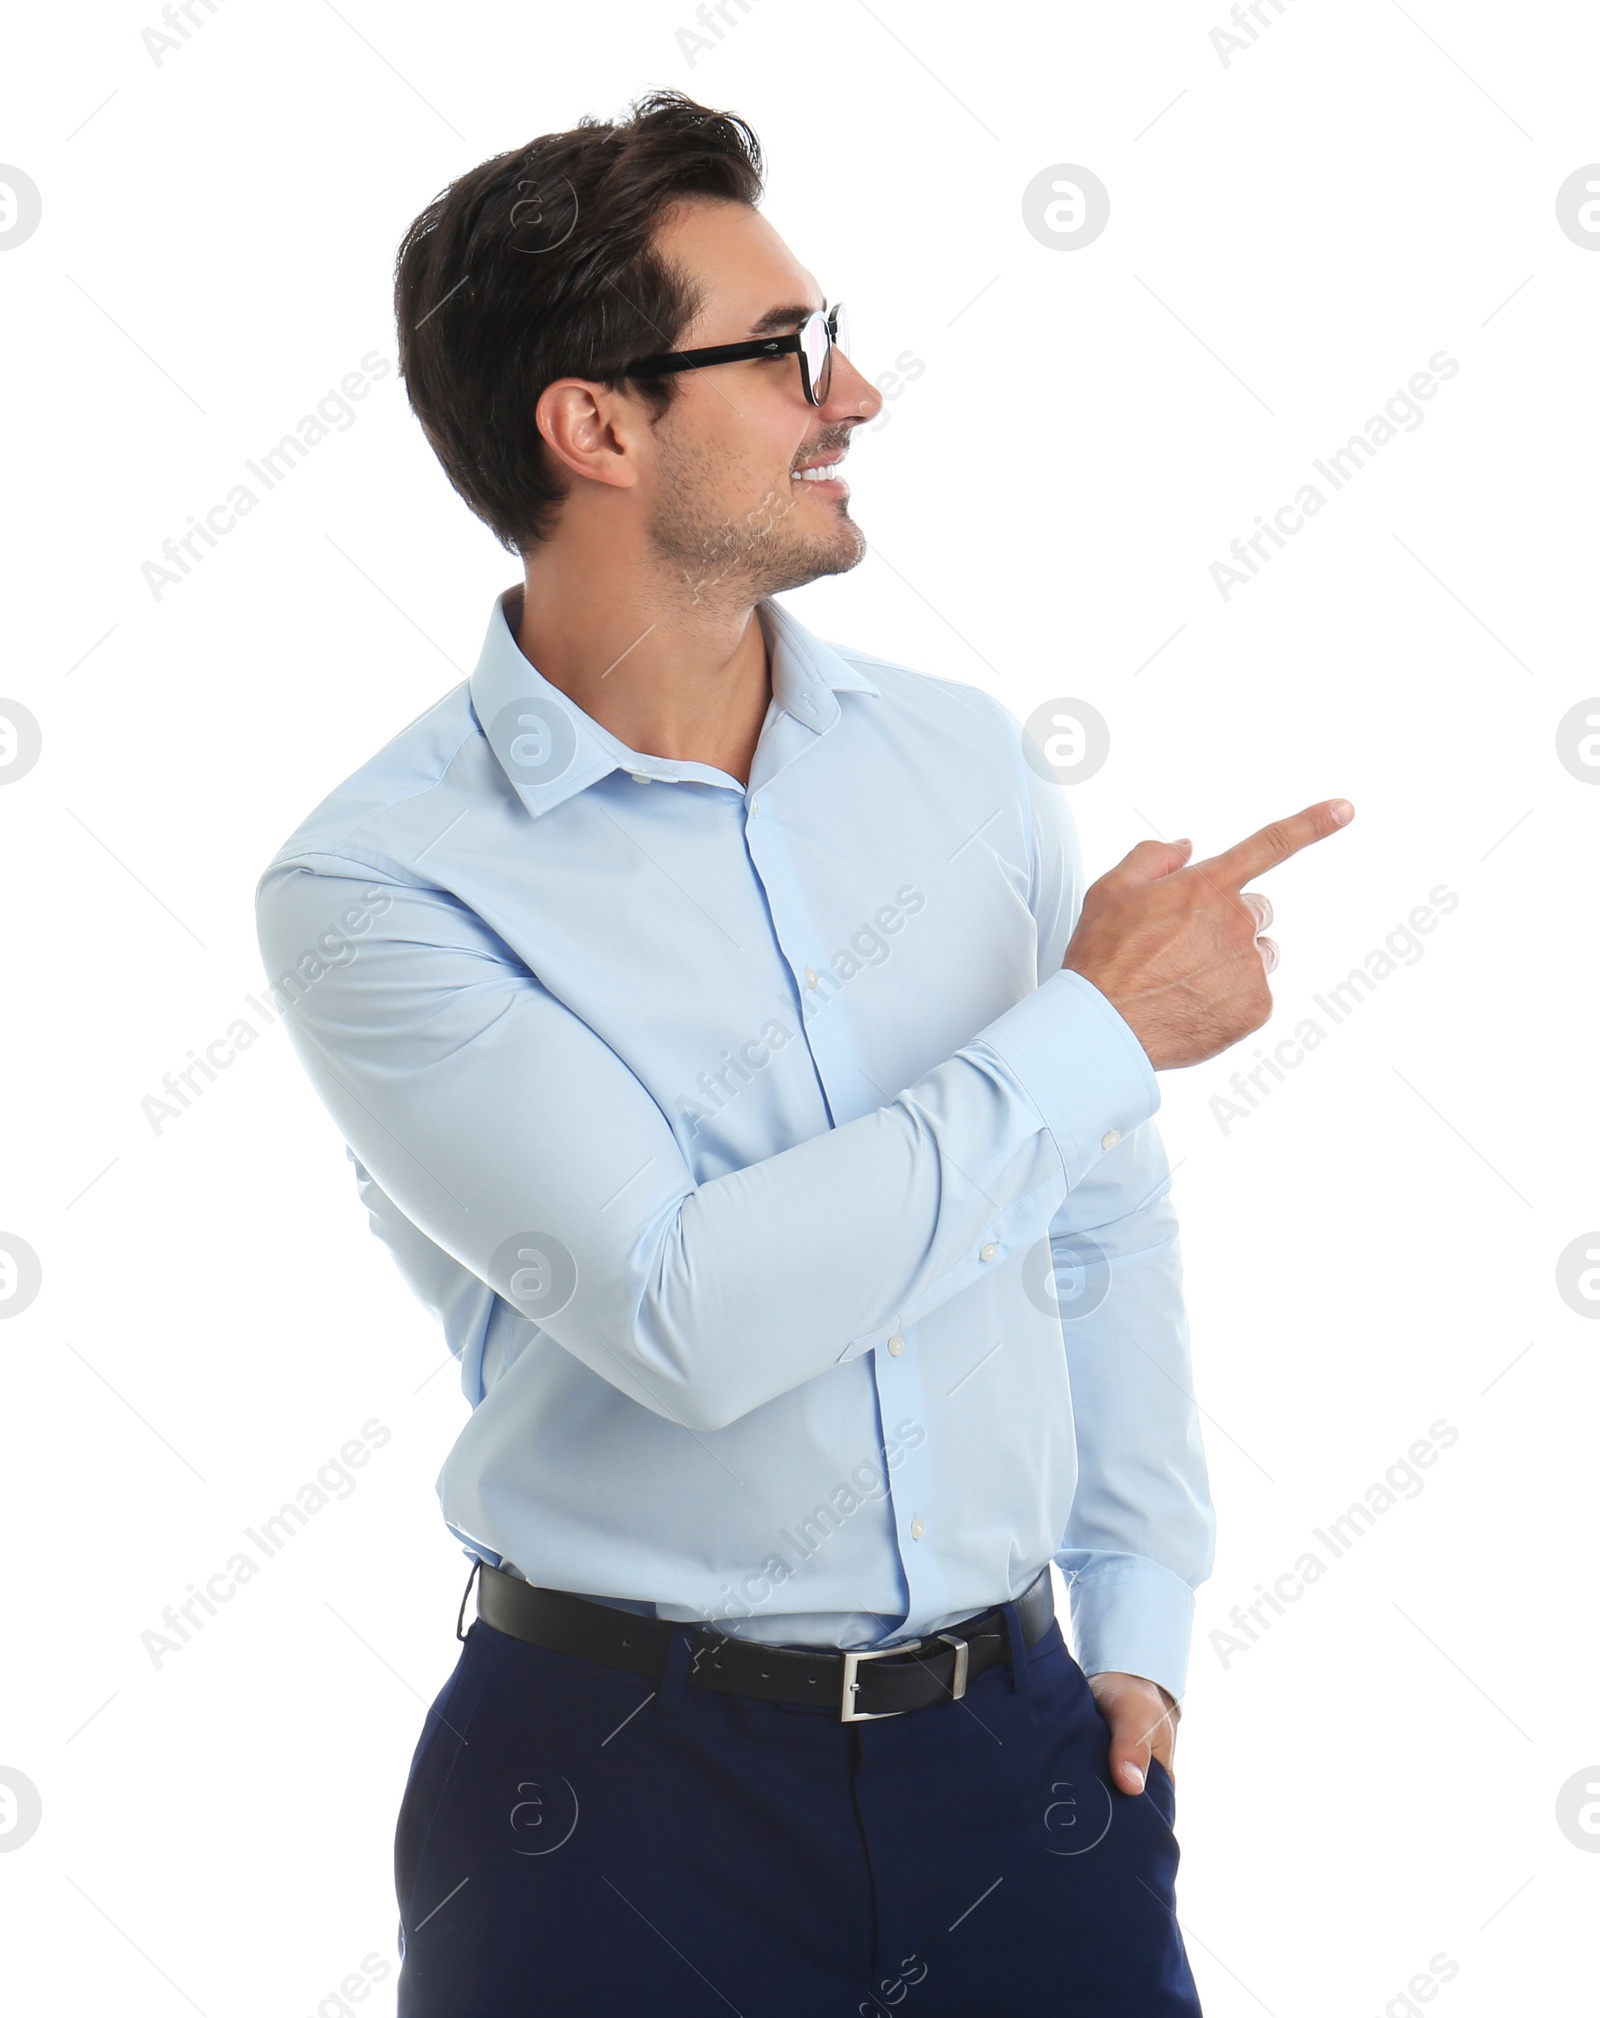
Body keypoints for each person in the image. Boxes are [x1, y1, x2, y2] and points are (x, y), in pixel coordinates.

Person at [255, 88, 1352, 2016]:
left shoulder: (961, 761)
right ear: (594, 425)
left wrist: (1145, 1622)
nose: (850, 397)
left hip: (1027, 1760)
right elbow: (690, 1312)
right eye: (784, 353)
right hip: (609, 1805)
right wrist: (1098, 1026)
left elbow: (1096, 1224)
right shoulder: (378, 887)